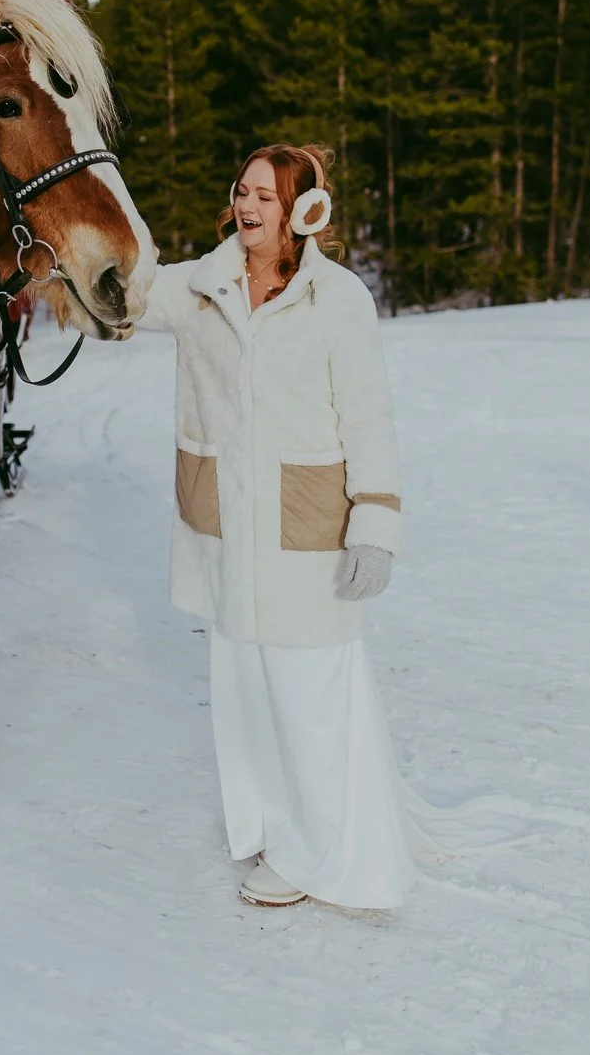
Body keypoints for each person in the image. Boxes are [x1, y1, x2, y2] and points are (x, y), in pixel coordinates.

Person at [137, 143, 419, 911]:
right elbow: (119, 292)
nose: (247, 204)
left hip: (308, 535)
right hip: (228, 534)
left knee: (312, 702)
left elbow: (368, 419)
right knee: (246, 699)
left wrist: (374, 527)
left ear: (303, 210)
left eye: (265, 193)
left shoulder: (339, 298)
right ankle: (276, 836)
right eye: (241, 190)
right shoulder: (201, 287)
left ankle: (332, 854)